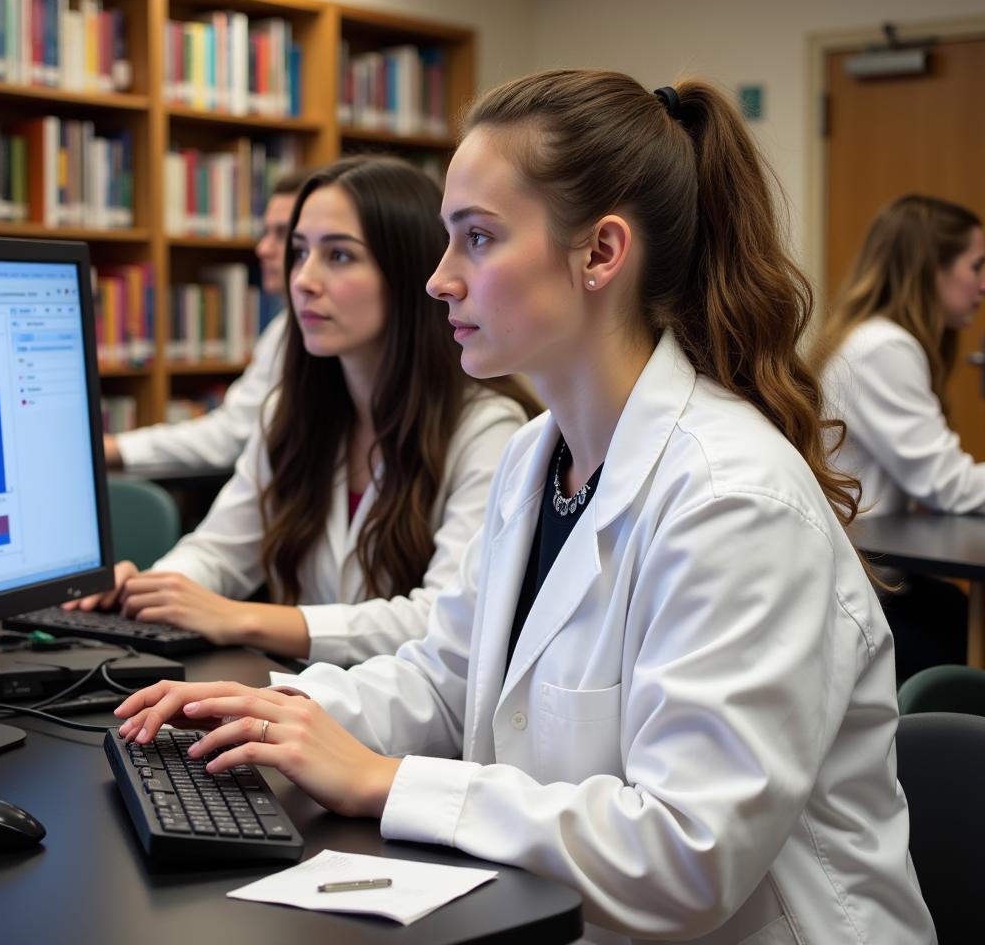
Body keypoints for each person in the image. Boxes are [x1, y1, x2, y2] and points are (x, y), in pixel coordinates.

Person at [114, 72, 934, 943]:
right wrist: (283, 714)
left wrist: (382, 781)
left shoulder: (733, 498)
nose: (438, 281)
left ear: (600, 254)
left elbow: (691, 855)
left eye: (477, 238)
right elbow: (448, 676)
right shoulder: (533, 455)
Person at [76, 156, 535, 665]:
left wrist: (243, 617)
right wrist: (152, 589)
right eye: (300, 253)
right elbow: (219, 550)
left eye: (339, 256)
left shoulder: (487, 431)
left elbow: (442, 621)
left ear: (408, 273)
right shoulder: (293, 414)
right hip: (305, 699)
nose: (303, 280)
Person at [814, 193, 985, 680]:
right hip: (854, 599)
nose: (983, 284)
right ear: (933, 268)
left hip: (868, 579)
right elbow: (949, 485)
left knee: (950, 604)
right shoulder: (884, 347)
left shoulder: (871, 338)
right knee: (953, 627)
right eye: (976, 266)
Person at [103, 171, 308, 470]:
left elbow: (230, 436)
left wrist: (120, 448)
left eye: (283, 234)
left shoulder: (307, 329)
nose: (263, 248)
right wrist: (120, 447)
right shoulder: (284, 327)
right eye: (265, 232)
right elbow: (233, 431)